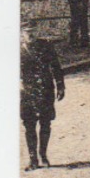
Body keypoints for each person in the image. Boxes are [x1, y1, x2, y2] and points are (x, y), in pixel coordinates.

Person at [20, 20, 65, 170]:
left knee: (46, 123)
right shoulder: (17, 50)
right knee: (29, 124)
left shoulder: (46, 46)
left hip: (45, 89)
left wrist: (60, 85)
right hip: (26, 91)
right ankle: (33, 159)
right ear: (22, 34)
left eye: (33, 31)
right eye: (27, 32)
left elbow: (56, 66)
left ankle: (43, 155)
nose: (31, 34)